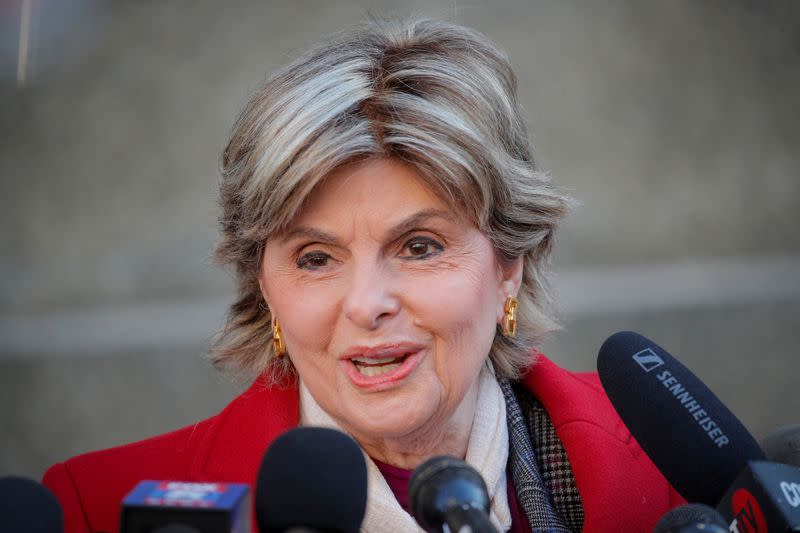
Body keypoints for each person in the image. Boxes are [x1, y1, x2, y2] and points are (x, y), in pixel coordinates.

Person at [43, 18, 683, 533]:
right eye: (315, 259)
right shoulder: (93, 511)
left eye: (420, 247)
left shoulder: (675, 471)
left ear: (509, 265)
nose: (367, 304)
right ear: (263, 286)